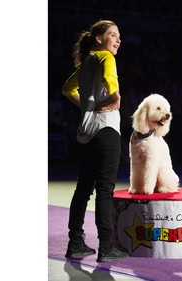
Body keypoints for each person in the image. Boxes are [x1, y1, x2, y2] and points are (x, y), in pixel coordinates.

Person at [61, 19, 128, 262]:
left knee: (83, 190)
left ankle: (75, 243)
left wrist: (87, 107)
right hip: (105, 130)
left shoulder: (87, 62)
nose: (118, 40)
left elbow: (67, 89)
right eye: (113, 35)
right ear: (99, 38)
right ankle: (107, 247)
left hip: (86, 133)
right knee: (105, 190)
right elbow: (111, 78)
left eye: (119, 36)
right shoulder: (105, 58)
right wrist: (115, 97)